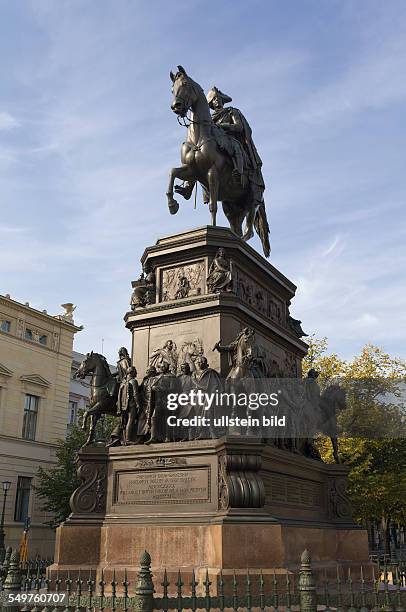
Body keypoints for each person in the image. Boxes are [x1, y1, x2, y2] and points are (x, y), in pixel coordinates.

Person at [206, 86, 265, 207]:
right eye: (213, 100)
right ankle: (189, 186)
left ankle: (239, 170)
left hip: (230, 140)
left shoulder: (231, 111)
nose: (216, 101)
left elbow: (239, 127)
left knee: (236, 146)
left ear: (222, 100)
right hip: (217, 141)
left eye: (217, 98)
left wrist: (224, 126)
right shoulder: (209, 119)